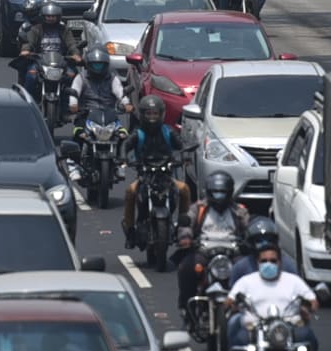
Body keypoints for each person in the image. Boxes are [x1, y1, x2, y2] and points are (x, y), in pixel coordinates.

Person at [225, 239, 318, 351]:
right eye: (264, 261)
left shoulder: (293, 281)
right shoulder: (246, 282)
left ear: (280, 262)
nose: (268, 264)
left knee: (306, 336)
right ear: (257, 262)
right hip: (254, 327)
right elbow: (230, 300)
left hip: (288, 327)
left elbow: (312, 300)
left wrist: (307, 307)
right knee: (240, 341)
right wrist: (234, 303)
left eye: (273, 261)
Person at [122, 94, 190, 248]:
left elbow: (181, 145)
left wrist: (184, 157)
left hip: (166, 176)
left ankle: (183, 229)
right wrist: (123, 157)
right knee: (130, 192)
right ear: (142, 114)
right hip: (145, 177)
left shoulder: (168, 131)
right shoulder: (138, 133)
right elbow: (125, 144)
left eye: (155, 114)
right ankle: (130, 230)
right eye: (148, 114)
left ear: (161, 114)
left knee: (184, 190)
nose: (152, 117)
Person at [177, 171, 249, 315]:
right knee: (185, 268)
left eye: (223, 193)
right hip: (204, 251)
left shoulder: (239, 211)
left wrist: (252, 240)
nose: (219, 197)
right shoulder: (198, 208)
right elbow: (187, 224)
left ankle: (248, 307)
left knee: (248, 271)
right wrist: (185, 237)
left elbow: (249, 228)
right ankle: (186, 305)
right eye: (216, 193)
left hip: (232, 252)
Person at [12, 1, 81, 99]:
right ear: (43, 16)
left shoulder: (64, 30)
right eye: (48, 16)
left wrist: (76, 54)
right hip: (40, 62)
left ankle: (70, 104)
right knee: (31, 76)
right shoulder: (36, 29)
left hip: (61, 63)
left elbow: (71, 44)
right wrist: (26, 50)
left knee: (73, 76)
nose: (51, 18)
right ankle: (26, 101)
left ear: (58, 16)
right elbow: (29, 42)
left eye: (53, 16)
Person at [68, 45, 131, 135]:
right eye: (95, 65)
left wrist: (126, 104)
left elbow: (120, 92)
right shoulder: (81, 77)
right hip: (86, 116)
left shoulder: (112, 78)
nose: (98, 68)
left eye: (100, 65)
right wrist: (73, 104)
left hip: (110, 117)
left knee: (123, 135)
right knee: (78, 133)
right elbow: (74, 91)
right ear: (89, 64)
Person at [229, 217, 300, 284]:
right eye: (258, 240)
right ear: (250, 243)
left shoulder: (287, 265)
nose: (265, 244)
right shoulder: (240, 268)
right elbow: (232, 292)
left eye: (269, 239)